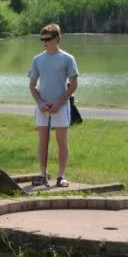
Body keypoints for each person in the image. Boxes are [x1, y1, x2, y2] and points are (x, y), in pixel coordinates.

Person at [28, 23, 79, 187]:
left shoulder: (67, 58)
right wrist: (40, 103)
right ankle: (43, 174)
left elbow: (73, 84)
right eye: (42, 39)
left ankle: (61, 176)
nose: (44, 42)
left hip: (61, 106)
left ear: (57, 39)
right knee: (43, 141)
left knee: (61, 141)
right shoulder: (37, 59)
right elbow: (32, 86)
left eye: (48, 39)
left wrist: (59, 103)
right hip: (42, 107)